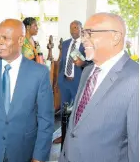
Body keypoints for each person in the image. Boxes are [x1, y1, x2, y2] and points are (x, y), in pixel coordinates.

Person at [59, 13, 139, 162]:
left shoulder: (136, 79)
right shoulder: (88, 71)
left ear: (115, 37)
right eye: (83, 33)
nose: (83, 39)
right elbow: (74, 126)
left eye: (90, 33)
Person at [0, 19, 54, 162]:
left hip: (24, 150)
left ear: (21, 40)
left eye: (5, 38)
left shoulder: (39, 73)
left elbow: (45, 119)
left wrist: (39, 156)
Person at [54, 20, 87, 144]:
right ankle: (63, 135)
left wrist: (83, 63)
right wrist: (58, 80)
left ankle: (75, 137)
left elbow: (92, 63)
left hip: (78, 83)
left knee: (77, 111)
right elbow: (61, 62)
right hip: (65, 82)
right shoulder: (66, 43)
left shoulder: (86, 44)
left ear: (81, 29)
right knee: (64, 111)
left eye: (75, 27)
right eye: (71, 27)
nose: (73, 30)